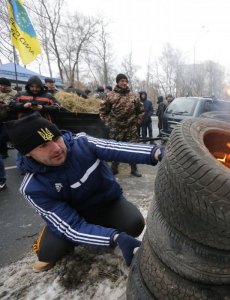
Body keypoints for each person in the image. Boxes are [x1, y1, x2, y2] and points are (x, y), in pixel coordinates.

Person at [4, 112, 165, 272]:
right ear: (27, 153)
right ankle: (53, 233)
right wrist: (115, 237)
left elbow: (117, 148)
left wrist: (156, 153)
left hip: (107, 204)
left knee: (134, 224)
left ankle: (99, 228)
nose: (57, 148)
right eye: (43, 145)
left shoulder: (82, 143)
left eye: (56, 138)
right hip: (74, 216)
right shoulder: (32, 187)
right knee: (47, 254)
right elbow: (71, 227)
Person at [99, 73, 144, 177]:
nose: (124, 83)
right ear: (117, 82)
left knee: (132, 149)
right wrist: (108, 123)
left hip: (131, 128)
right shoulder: (110, 95)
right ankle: (114, 169)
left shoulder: (134, 96)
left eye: (125, 81)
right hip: (116, 128)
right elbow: (102, 111)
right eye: (121, 81)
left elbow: (141, 111)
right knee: (115, 149)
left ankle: (134, 169)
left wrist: (137, 122)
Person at [0, 77, 17, 158]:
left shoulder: (15, 93)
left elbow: (16, 105)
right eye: (1, 85)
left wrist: (6, 105)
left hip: (9, 118)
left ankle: (3, 153)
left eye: (5, 85)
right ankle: (3, 152)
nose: (3, 87)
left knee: (3, 137)